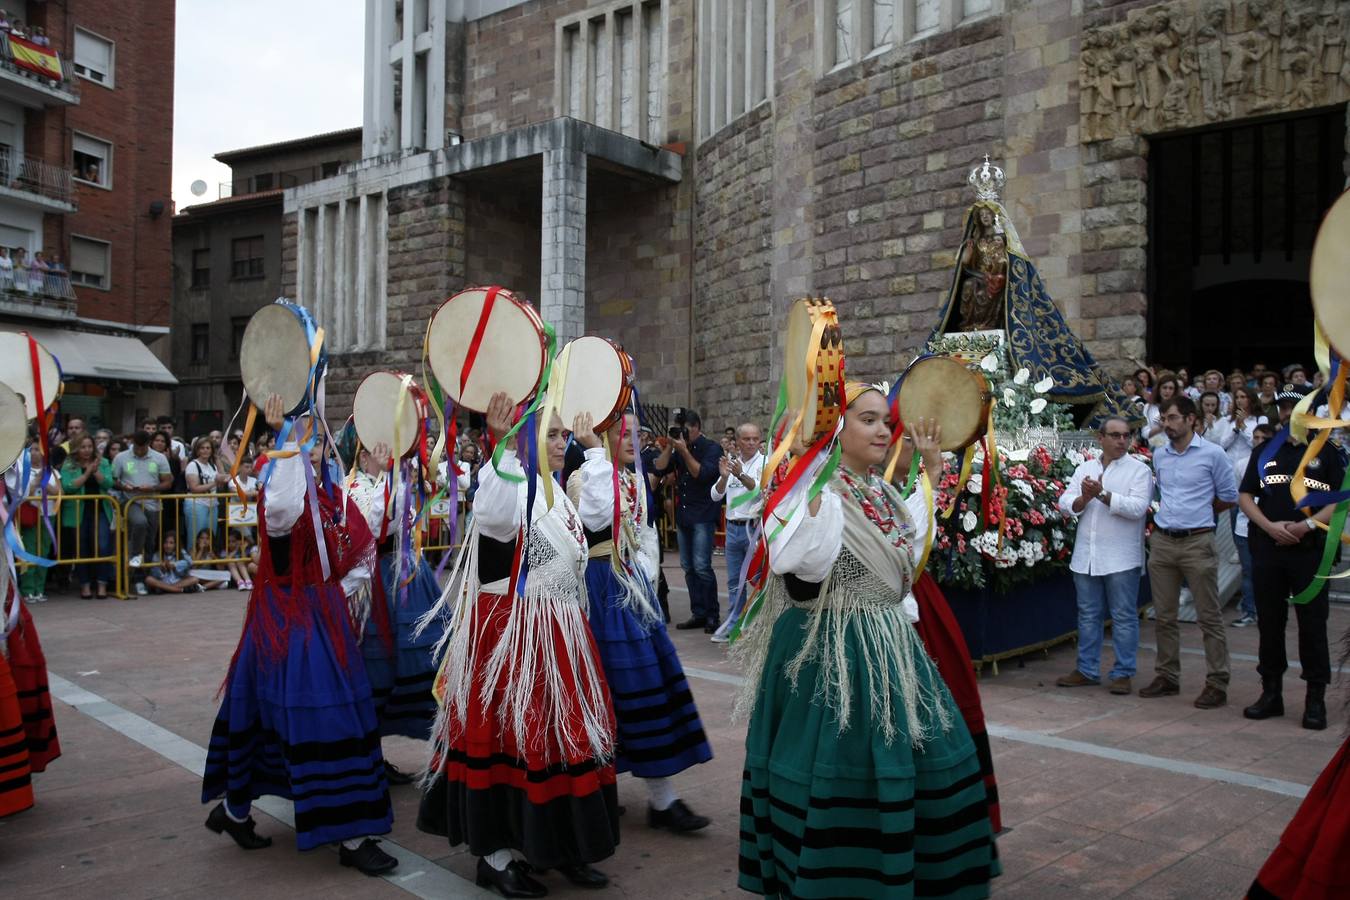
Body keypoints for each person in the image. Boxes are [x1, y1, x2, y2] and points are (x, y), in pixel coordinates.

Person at [736, 383, 998, 897]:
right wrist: (810, 482)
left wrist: (934, 471)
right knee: (840, 770)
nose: (884, 431)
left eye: (885, 421)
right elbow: (793, 561)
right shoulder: (818, 493)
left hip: (889, 646)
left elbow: (902, 556)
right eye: (869, 420)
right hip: (835, 656)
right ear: (836, 426)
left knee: (911, 760)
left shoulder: (875, 490)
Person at [419, 395, 620, 897]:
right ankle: (497, 854)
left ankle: (562, 842)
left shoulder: (560, 494)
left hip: (562, 638)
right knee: (514, 738)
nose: (562, 442)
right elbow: (495, 518)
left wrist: (596, 452)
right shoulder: (506, 483)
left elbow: (601, 519)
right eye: (552, 435)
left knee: (560, 739)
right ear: (527, 438)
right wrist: (504, 448)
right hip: (513, 640)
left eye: (563, 435)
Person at [202, 394, 396, 876]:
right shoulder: (280, 496)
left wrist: (346, 590)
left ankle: (234, 811)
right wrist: (286, 436)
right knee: (325, 717)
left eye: (314, 435)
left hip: (317, 613)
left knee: (269, 714)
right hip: (290, 619)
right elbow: (287, 509)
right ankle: (350, 837)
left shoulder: (331, 496)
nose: (311, 444)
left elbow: (362, 544)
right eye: (301, 436)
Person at [569, 409, 714, 835]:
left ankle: (661, 798)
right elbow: (596, 520)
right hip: (601, 592)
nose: (635, 439)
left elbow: (643, 532)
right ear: (604, 437)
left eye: (637, 433)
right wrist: (595, 454)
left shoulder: (632, 479)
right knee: (611, 689)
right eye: (625, 433)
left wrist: (646, 579)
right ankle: (604, 789)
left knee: (646, 685)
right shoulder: (585, 478)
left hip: (632, 591)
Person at [1238, 389, 1344, 731]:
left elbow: (1339, 500)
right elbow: (1245, 495)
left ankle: (1315, 700)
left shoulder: (1328, 454)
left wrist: (1306, 525)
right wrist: (1270, 526)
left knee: (1312, 625)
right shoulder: (1264, 451)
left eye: (1298, 407)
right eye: (1285, 407)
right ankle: (1271, 693)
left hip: (1309, 551)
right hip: (1269, 548)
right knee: (1269, 623)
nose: (1290, 413)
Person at [347, 441, 444, 785]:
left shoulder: (392, 481)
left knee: (430, 655)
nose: (386, 454)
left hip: (405, 573)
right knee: (378, 667)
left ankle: (444, 747)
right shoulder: (355, 487)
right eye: (376, 450)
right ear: (361, 456)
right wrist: (395, 479)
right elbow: (376, 528)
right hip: (374, 581)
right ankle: (371, 756)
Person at [1139, 396, 1238, 709]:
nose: (1166, 424)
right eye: (1164, 419)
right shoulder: (1160, 455)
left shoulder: (1213, 454)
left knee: (1209, 617)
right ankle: (1167, 676)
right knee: (1164, 616)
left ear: (1191, 419)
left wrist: (1200, 518)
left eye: (1171, 418)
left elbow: (1228, 496)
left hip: (1198, 541)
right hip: (1164, 540)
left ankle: (1217, 682)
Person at [1055, 417, 1152, 694]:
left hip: (1121, 556)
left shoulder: (1138, 470)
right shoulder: (1086, 467)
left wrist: (1102, 494)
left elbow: (1137, 508)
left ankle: (1123, 672)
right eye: (1116, 435)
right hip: (1087, 553)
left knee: (1123, 616)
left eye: (1126, 435)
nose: (1122, 441)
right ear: (1101, 439)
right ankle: (1087, 669)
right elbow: (1065, 503)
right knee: (1088, 615)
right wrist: (1084, 499)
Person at [651, 409, 723, 632]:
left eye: (686, 430)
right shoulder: (679, 447)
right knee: (688, 567)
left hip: (703, 515)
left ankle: (712, 615)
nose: (682, 434)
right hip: (684, 516)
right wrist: (672, 447)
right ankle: (698, 612)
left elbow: (701, 474)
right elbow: (659, 468)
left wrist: (683, 450)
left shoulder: (711, 448)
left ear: (697, 428)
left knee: (702, 566)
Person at [1215, 386, 1267, 627]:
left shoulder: (1260, 419)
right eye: (1238, 397)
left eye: (1245, 396)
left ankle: (1262, 606)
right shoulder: (1228, 420)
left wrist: (1246, 428)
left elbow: (1259, 441)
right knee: (1247, 563)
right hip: (1236, 472)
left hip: (1260, 492)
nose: (1241, 400)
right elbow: (1222, 444)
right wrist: (1235, 426)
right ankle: (1249, 608)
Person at [709, 422, 765, 643]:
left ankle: (760, 622)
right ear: (738, 442)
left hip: (754, 530)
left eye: (755, 438)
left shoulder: (765, 462)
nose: (751, 443)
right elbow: (715, 495)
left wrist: (741, 475)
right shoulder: (732, 464)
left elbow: (760, 491)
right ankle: (735, 624)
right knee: (734, 581)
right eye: (747, 439)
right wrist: (724, 476)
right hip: (732, 529)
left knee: (758, 578)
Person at [113, 432, 172, 596]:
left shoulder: (159, 458)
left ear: (148, 444)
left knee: (150, 541)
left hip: (153, 503)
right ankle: (135, 562)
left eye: (143, 447)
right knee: (139, 522)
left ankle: (143, 577)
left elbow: (168, 481)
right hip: (130, 500)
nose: (140, 451)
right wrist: (124, 486)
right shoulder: (121, 457)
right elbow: (113, 480)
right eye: (137, 447)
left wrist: (153, 488)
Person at [59, 434, 115, 599]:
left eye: (89, 446)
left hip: (100, 510)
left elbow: (108, 484)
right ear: (77, 448)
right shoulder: (69, 465)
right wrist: (86, 473)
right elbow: (68, 487)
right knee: (81, 547)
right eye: (83, 447)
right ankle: (85, 585)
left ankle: (102, 584)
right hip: (78, 511)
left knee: (103, 546)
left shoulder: (103, 462)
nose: (87, 450)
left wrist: (96, 472)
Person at [7, 439, 61, 603]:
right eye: (32, 449)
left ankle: (39, 588)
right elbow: (20, 493)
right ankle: (28, 589)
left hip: (48, 515)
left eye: (39, 449)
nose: (35, 453)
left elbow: (60, 492)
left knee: (43, 551)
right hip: (29, 516)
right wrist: (36, 482)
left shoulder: (52, 472)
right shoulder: (22, 470)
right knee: (29, 551)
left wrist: (45, 484)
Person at [185, 436, 225, 552]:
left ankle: (206, 565)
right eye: (202, 448)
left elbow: (222, 481)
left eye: (208, 448)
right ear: (197, 450)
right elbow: (194, 488)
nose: (205, 450)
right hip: (196, 503)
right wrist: (214, 483)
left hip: (212, 504)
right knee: (196, 536)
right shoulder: (193, 465)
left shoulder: (212, 465)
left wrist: (219, 463)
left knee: (210, 536)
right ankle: (192, 564)